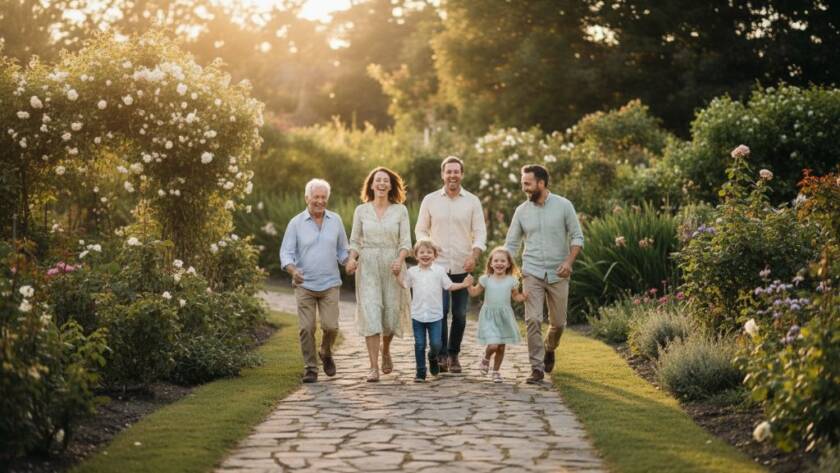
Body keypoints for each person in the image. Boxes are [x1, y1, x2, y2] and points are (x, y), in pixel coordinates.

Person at [505, 164, 584, 384]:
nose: (525, 188)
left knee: (558, 323)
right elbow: (511, 244)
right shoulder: (521, 211)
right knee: (532, 320)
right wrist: (504, 269)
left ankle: (550, 348)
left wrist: (569, 262)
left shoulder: (564, 206)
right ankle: (537, 368)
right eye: (523, 184)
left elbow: (578, 237)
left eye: (528, 184)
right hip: (532, 272)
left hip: (559, 273)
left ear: (541, 183)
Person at [415, 156, 486, 373]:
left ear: (462, 174)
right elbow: (420, 229)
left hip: (463, 267)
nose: (452, 175)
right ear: (442, 174)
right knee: (441, 311)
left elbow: (480, 232)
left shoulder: (472, 201)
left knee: (460, 314)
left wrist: (474, 255)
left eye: (456, 171)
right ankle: (442, 355)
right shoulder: (430, 200)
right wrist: (428, 249)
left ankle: (454, 354)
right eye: (449, 171)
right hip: (438, 266)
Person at [279, 179, 350, 383]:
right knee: (306, 328)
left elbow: (342, 250)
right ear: (307, 198)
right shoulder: (296, 223)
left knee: (331, 327)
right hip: (304, 285)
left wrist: (349, 262)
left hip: (330, 284)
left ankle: (325, 352)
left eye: (323, 197)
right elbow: (286, 253)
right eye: (316, 197)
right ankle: (310, 368)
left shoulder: (335, 220)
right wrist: (293, 270)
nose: (320, 201)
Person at [345, 167, 412, 382]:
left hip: (393, 266)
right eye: (377, 180)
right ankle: (373, 367)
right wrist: (352, 258)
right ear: (371, 185)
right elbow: (355, 241)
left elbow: (405, 242)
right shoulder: (361, 211)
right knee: (371, 313)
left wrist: (399, 261)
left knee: (390, 317)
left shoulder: (400, 210)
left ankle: (386, 348)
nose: (381, 184)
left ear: (391, 185)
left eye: (385, 181)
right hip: (368, 268)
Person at [399, 239, 474, 383]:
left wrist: (464, 284)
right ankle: (420, 372)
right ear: (416, 255)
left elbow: (449, 286)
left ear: (435, 256)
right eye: (422, 252)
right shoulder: (412, 272)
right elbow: (404, 285)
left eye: (429, 252)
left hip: (435, 317)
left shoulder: (439, 271)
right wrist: (396, 275)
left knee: (436, 344)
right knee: (419, 344)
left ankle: (433, 357)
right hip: (418, 316)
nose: (425, 255)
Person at [467, 247, 525, 383]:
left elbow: (516, 296)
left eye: (503, 261)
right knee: (493, 344)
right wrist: (469, 285)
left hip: (504, 316)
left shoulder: (512, 280)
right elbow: (474, 292)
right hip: (489, 315)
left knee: (501, 346)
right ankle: (486, 359)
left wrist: (523, 297)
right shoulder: (486, 279)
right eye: (496, 261)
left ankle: (496, 371)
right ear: (491, 264)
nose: (499, 263)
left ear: (509, 264)